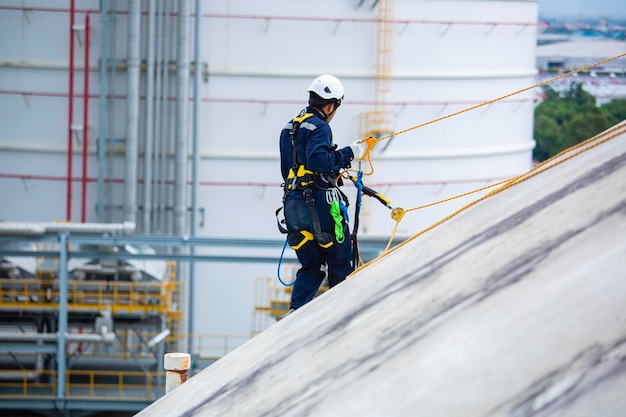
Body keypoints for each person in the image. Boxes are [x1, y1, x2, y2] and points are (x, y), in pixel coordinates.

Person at [278, 74, 366, 317]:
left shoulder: (289, 128)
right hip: (318, 203)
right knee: (340, 261)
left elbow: (288, 170)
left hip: (293, 205)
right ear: (331, 105)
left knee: (311, 265)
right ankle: (341, 315)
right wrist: (350, 153)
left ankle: (295, 313)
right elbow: (318, 162)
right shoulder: (320, 127)